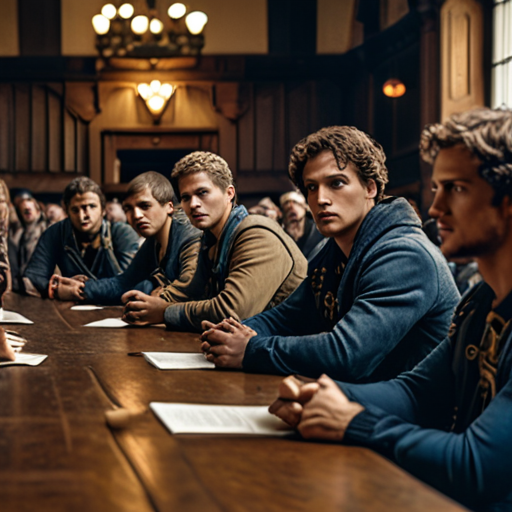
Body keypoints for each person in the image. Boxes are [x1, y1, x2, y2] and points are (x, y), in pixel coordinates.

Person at [269, 108, 512, 512]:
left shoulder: (405, 253)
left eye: (456, 188)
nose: (435, 209)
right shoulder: (481, 301)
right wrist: (325, 395)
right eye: (437, 188)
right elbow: (418, 392)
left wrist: (354, 422)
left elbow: (478, 467)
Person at [200, 126, 459, 382]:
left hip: (412, 416)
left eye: (336, 183)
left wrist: (250, 350)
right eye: (311, 187)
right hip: (357, 400)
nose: (321, 198)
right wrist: (235, 332)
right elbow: (288, 317)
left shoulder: (405, 254)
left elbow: (347, 355)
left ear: (370, 188)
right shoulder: (333, 248)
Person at [122, 151, 307, 331]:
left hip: (293, 351)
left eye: (202, 192)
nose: (193, 204)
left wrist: (164, 312)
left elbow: (230, 311)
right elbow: (191, 291)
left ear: (229, 194)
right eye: (186, 197)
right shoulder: (210, 239)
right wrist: (152, 302)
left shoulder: (256, 233)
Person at [53, 172, 201, 304]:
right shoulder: (154, 241)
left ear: (169, 207)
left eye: (144, 206)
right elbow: (124, 283)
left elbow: (190, 291)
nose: (136, 215)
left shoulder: (189, 235)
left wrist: (159, 296)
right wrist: (80, 289)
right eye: (128, 209)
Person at [23, 177, 140, 298]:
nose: (83, 215)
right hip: (70, 310)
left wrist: (80, 289)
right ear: (67, 212)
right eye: (75, 210)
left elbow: (127, 283)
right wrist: (57, 288)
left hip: (115, 310)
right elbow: (33, 278)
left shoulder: (122, 233)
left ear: (103, 210)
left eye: (92, 206)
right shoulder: (56, 233)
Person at [9, 192, 48, 291]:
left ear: (38, 211)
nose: (27, 212)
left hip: (42, 280)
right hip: (26, 281)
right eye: (24, 211)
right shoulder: (22, 234)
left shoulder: (46, 229)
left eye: (30, 209)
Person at [280, 190, 324, 258]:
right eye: (286, 203)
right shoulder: (281, 233)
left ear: (305, 207)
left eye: (295, 202)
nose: (291, 206)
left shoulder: (320, 231)